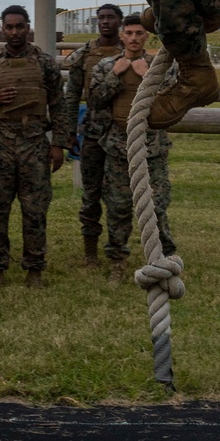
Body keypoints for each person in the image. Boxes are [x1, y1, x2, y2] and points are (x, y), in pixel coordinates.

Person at [0, 5, 71, 287]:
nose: (15, 32)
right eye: (9, 27)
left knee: (35, 210)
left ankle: (34, 270)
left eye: (20, 26)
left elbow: (58, 106)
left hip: (33, 144)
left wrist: (59, 144)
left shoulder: (45, 63)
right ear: (2, 29)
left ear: (28, 28)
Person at [87, 15, 176, 283]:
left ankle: (164, 259)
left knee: (157, 206)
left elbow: (172, 100)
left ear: (147, 37)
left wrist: (144, 75)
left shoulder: (160, 67)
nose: (134, 38)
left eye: (139, 33)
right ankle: (117, 261)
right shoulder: (106, 66)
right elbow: (95, 101)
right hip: (119, 147)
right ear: (122, 36)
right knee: (118, 206)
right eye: (129, 33)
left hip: (152, 147)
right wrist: (116, 75)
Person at [64, 3, 124, 266]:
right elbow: (71, 96)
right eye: (101, 18)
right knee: (91, 194)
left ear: (120, 22)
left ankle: (117, 249)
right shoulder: (84, 55)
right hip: (92, 134)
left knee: (119, 196)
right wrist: (67, 132)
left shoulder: (130, 51)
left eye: (111, 18)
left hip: (122, 133)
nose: (105, 22)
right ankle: (90, 253)